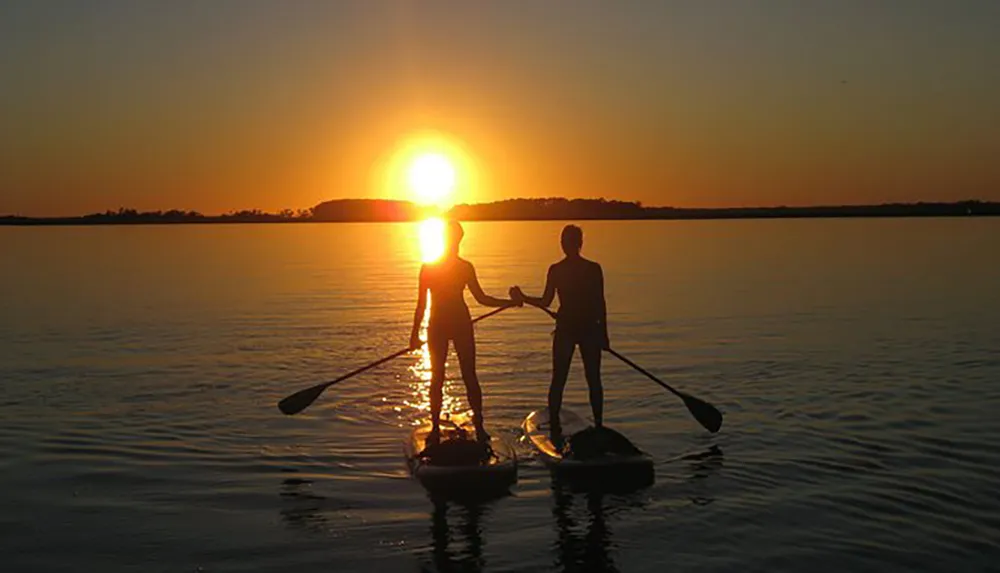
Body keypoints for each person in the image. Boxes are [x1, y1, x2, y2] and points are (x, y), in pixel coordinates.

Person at [410, 220, 519, 445]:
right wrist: (414, 335)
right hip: (442, 324)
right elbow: (421, 304)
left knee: (462, 376)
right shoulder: (433, 267)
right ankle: (439, 428)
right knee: (441, 377)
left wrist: (507, 303)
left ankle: (477, 427)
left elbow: (481, 298)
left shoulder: (457, 267)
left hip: (454, 324)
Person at [511, 224, 609, 445]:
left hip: (583, 329)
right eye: (565, 242)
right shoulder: (564, 269)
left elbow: (599, 302)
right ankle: (586, 423)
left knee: (580, 378)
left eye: (567, 241)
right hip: (573, 328)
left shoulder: (589, 269)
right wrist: (523, 297)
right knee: (570, 378)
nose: (566, 245)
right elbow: (547, 301)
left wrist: (603, 334)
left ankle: (595, 424)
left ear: (575, 244)